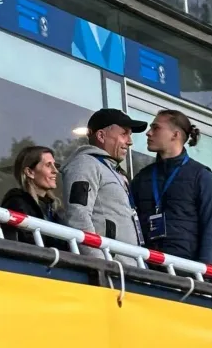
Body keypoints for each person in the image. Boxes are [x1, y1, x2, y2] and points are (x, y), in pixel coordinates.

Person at [131, 109, 212, 264]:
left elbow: (211, 230)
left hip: (187, 273)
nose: (148, 133)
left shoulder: (201, 176)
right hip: (146, 268)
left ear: (175, 135)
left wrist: (204, 277)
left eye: (156, 128)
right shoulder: (142, 177)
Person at [61, 108, 147, 265]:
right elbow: (78, 217)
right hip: (109, 271)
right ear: (101, 135)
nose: (130, 141)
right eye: (124, 134)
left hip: (128, 270)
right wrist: (100, 265)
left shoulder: (114, 170)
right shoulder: (85, 164)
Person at [1, 145, 68, 250]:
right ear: (29, 172)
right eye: (48, 165)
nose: (55, 171)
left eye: (54, 165)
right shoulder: (17, 203)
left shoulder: (54, 208)